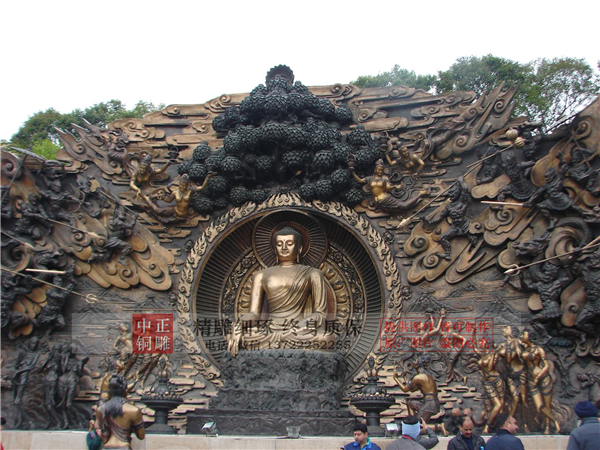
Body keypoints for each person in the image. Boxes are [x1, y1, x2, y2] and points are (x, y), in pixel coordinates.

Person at [228, 226, 336, 356]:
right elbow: (254, 314)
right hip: (270, 331)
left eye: (289, 244)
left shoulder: (313, 274)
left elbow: (320, 314)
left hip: (297, 330)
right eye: (279, 244)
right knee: (243, 337)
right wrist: (238, 325)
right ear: (275, 249)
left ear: (299, 248)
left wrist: (294, 328)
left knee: (327, 339)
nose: (284, 248)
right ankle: (279, 341)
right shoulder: (260, 275)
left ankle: (280, 341)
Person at [517, 330, 560, 434]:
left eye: (524, 334)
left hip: (543, 378)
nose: (522, 336)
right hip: (531, 379)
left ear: (530, 336)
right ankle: (555, 420)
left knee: (547, 405)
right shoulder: (525, 349)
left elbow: (546, 366)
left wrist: (537, 378)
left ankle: (548, 427)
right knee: (539, 406)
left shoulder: (539, 349)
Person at [351, 159, 425, 212]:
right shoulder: (370, 178)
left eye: (382, 170)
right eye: (379, 170)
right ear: (375, 170)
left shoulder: (384, 178)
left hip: (385, 198)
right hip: (378, 202)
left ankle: (419, 194)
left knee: (403, 206)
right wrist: (353, 173)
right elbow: (360, 180)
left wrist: (395, 186)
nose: (380, 171)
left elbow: (387, 188)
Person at [96, 374, 145, 449]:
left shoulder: (100, 410)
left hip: (106, 447)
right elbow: (141, 436)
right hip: (123, 446)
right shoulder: (133, 411)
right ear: (125, 391)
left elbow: (103, 434)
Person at [393, 354, 440, 424]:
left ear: (417, 365)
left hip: (429, 405)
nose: (413, 362)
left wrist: (395, 378)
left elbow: (405, 389)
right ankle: (412, 422)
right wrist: (405, 377)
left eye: (415, 361)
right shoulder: (427, 376)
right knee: (410, 403)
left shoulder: (418, 377)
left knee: (418, 424)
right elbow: (412, 389)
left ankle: (438, 427)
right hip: (430, 402)